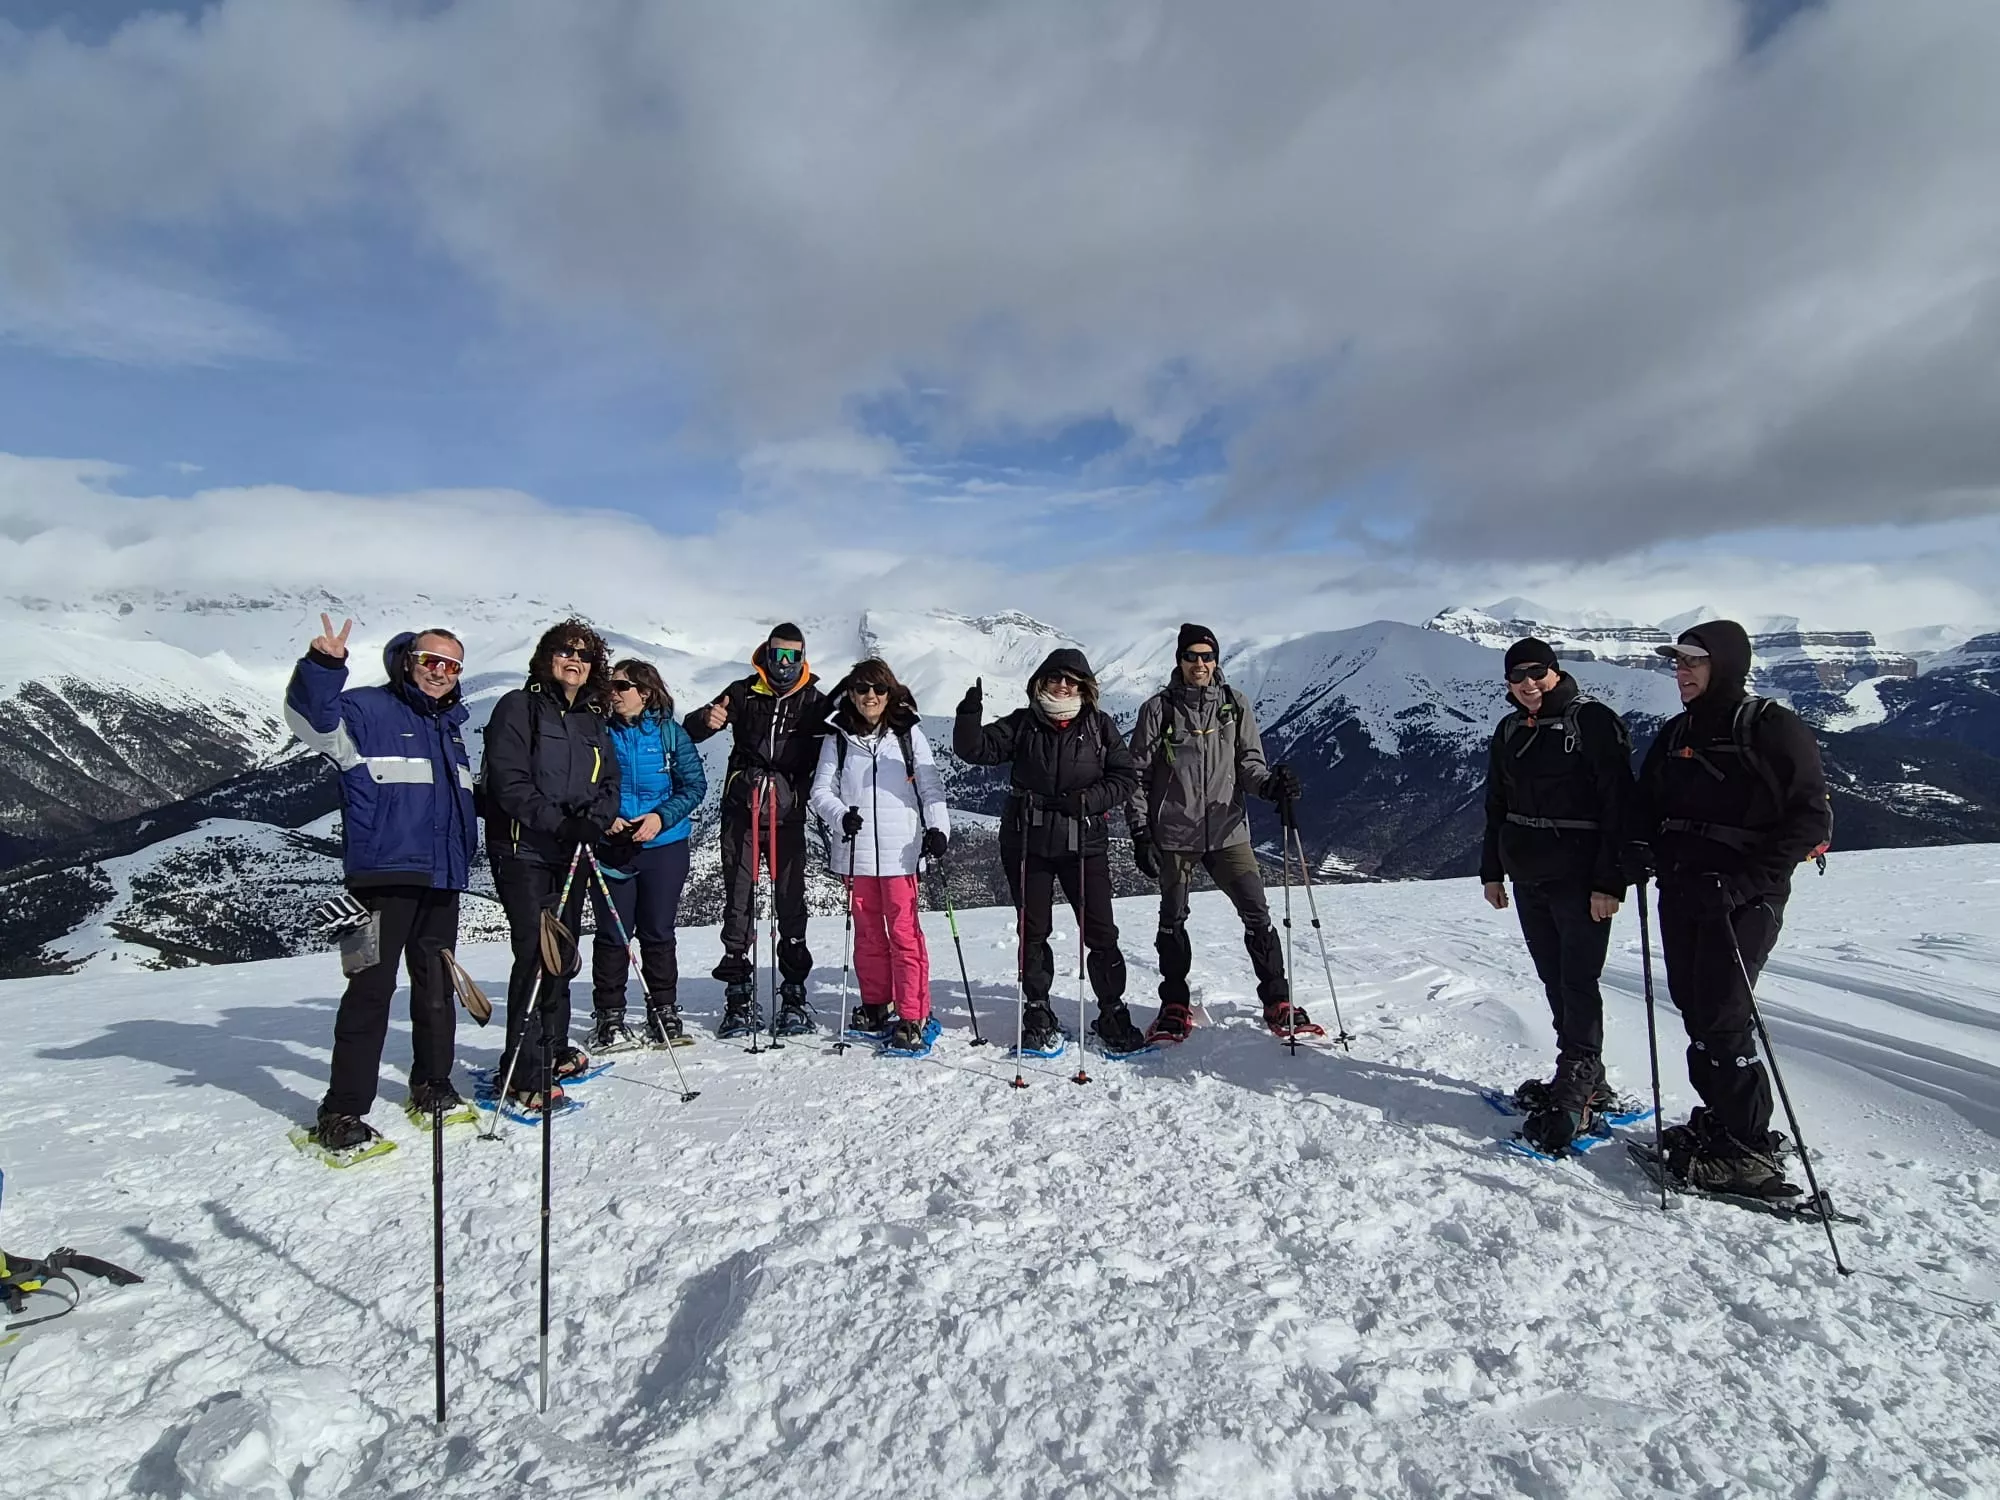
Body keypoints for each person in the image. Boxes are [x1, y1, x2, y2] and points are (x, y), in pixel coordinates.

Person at [1633, 620, 1831, 1196]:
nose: (1682, 673)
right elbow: (1647, 805)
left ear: (1725, 664)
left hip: (1742, 898)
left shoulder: (1770, 727)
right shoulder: (1675, 734)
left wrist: (1746, 884)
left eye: (1693, 662)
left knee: (1722, 1016)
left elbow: (1809, 819)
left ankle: (1750, 1148)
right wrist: (1637, 849)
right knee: (1695, 1010)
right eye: (1677, 663)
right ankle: (1722, 1121)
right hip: (1684, 890)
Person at [284, 614, 478, 1155]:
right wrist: (324, 666)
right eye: (430, 660)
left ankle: (432, 1084)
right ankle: (341, 1112)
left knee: (436, 987)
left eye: (451, 665)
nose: (440, 672)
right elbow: (311, 721)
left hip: (442, 878)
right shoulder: (368, 709)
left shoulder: (451, 727)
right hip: (379, 877)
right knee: (370, 990)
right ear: (407, 662)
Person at [1478, 636, 1636, 1153]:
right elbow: (1496, 803)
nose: (1527, 684)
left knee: (1579, 980)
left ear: (1554, 671)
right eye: (1516, 676)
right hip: (1529, 874)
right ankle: (1587, 1076)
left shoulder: (1591, 721)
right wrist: (1492, 871)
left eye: (1537, 673)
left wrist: (1610, 880)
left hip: (1580, 876)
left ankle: (1577, 1088)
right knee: (1554, 977)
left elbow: (1619, 802)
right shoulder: (1508, 729)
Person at [953, 648, 1148, 1056]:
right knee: (1033, 930)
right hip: (1029, 841)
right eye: (1056, 678)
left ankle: (1111, 1008)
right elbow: (977, 751)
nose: (1063, 685)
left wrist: (1088, 801)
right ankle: (1038, 1008)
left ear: (1085, 687)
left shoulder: (1099, 726)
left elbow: (1125, 777)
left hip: (1084, 840)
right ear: (1041, 681)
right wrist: (969, 717)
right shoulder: (1024, 723)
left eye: (1072, 680)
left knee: (1100, 931)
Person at [1124, 623, 1302, 1042]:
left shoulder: (1235, 706)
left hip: (1227, 832)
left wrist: (1270, 787)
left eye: (1207, 656)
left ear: (1216, 660)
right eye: (1192, 656)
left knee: (1257, 913)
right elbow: (1135, 777)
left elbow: (1249, 765)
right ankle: (1174, 1003)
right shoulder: (1158, 710)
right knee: (1172, 920)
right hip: (1174, 835)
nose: (1200, 664)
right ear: (1180, 661)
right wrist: (1140, 832)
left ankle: (1277, 1000)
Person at [481, 619, 620, 1111]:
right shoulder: (517, 708)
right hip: (524, 850)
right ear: (546, 658)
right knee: (536, 955)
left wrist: (594, 821)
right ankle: (521, 1071)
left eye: (584, 655)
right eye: (565, 651)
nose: (575, 660)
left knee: (562, 952)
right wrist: (560, 823)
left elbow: (610, 784)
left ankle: (554, 1048)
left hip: (573, 851)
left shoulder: (590, 718)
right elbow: (509, 781)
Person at [685, 623, 830, 1037]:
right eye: (777, 654)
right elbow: (694, 729)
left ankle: (794, 993)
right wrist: (705, 718)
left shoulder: (814, 701)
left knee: (790, 899)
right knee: (738, 898)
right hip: (742, 809)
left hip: (787, 813)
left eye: (792, 657)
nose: (784, 664)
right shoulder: (744, 691)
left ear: (803, 658)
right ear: (765, 653)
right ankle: (738, 995)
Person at [809, 659, 952, 1053]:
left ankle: (913, 1013)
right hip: (855, 854)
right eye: (861, 689)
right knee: (869, 935)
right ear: (850, 693)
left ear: (890, 692)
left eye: (878, 688)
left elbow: (930, 786)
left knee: (905, 936)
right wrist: (841, 816)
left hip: (901, 854)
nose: (870, 696)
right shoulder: (837, 735)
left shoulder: (907, 733)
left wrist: (939, 828)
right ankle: (875, 1003)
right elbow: (820, 792)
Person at [585, 658, 707, 1052]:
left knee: (658, 931)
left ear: (645, 692)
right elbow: (582, 786)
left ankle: (664, 1011)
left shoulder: (671, 735)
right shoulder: (598, 732)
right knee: (612, 934)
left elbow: (694, 785)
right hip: (612, 844)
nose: (613, 693)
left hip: (663, 845)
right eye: (611, 686)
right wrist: (606, 819)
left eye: (621, 686)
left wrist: (660, 816)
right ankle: (609, 1016)